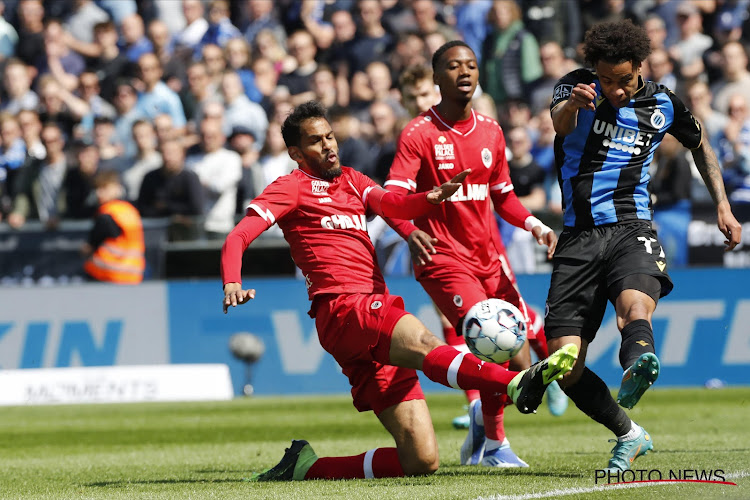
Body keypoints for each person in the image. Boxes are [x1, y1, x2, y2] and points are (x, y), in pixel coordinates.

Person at [221, 101, 578, 481]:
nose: (329, 146)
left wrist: (428, 199)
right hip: (346, 308)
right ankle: (514, 382)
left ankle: (306, 467)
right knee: (425, 341)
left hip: (362, 321)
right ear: (296, 153)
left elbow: (392, 203)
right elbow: (238, 236)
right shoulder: (290, 188)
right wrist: (232, 280)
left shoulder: (354, 181)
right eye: (315, 141)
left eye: (330, 136)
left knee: (420, 460)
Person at [547, 19, 742, 472]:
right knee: (563, 360)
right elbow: (559, 125)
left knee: (633, 308)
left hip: (631, 226)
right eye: (606, 80)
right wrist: (574, 106)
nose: (614, 90)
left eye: (624, 80)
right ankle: (629, 433)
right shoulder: (576, 87)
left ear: (641, 65)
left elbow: (700, 145)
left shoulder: (663, 102)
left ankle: (638, 363)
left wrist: (723, 206)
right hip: (577, 236)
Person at [384, 41, 561, 468]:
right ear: (436, 78)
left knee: (507, 341)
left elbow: (503, 195)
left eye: (471, 65)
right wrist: (409, 231)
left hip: (489, 256)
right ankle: (496, 445)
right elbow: (392, 197)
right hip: (442, 257)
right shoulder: (418, 134)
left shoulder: (491, 131)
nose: (464, 72)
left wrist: (534, 224)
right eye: (453, 66)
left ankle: (486, 419)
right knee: (490, 335)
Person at [82, 170, 145, 284]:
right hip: (133, 274)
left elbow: (92, 244)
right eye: (97, 189)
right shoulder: (130, 210)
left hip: (107, 273)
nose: (99, 193)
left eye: (103, 188)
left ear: (116, 188)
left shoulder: (106, 214)